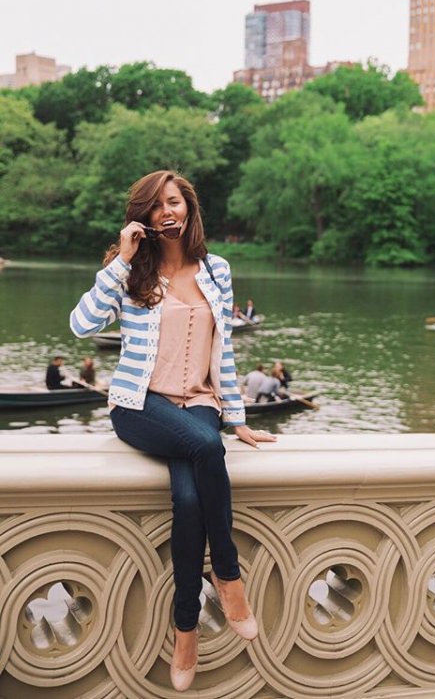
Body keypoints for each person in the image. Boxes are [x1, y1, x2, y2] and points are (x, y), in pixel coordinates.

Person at [70, 169, 276, 693]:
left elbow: (223, 352)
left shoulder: (217, 270)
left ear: (189, 209)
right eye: (157, 205)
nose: (168, 212)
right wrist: (120, 260)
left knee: (188, 500)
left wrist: (238, 418)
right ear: (142, 216)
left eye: (176, 202)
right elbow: (81, 325)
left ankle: (185, 631)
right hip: (141, 405)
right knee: (207, 447)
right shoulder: (131, 273)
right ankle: (227, 576)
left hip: (200, 403)